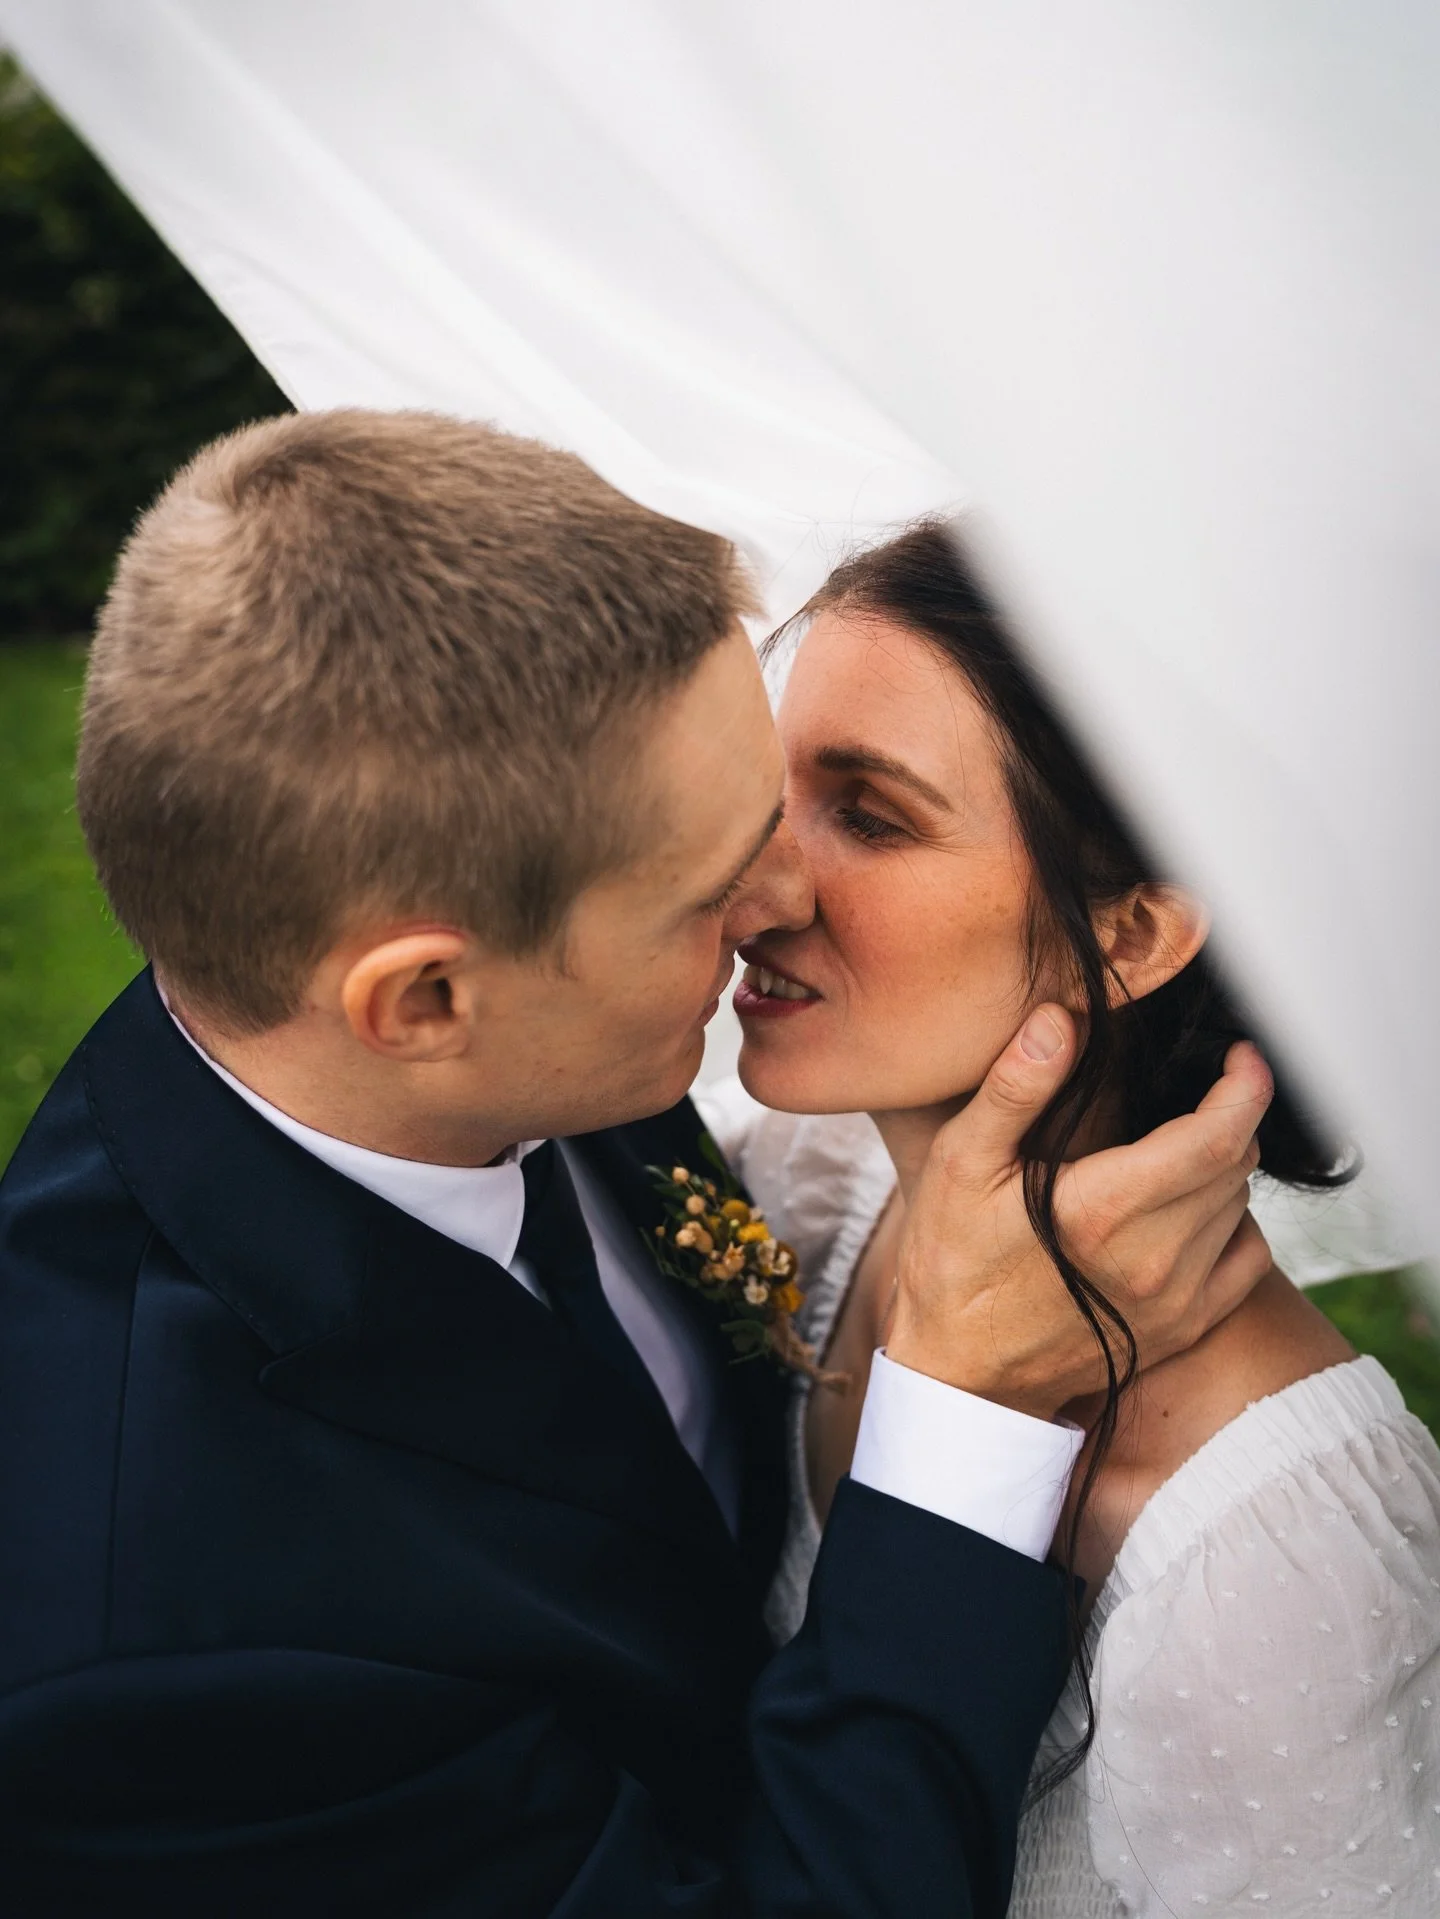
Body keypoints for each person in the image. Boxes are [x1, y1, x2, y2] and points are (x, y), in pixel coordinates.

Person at [0, 413, 1272, 1917]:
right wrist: (963, 1419)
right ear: (424, 999)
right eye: (706, 885)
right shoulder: (158, 1651)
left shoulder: (487, 1047)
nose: (781, 892)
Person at [703, 520, 1440, 1915]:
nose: (758, 886)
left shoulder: (1265, 1554)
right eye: (770, 792)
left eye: (869, 815)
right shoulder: (800, 1179)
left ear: (1135, 934)